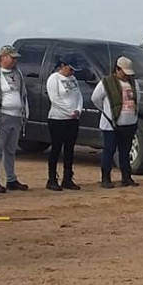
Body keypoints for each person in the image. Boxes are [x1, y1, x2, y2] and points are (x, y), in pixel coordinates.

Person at [0, 45, 29, 193]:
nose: (14, 60)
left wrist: (25, 111)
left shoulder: (17, 73)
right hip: (0, 116)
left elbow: (23, 93)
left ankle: (11, 178)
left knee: (11, 149)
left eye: (15, 58)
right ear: (3, 57)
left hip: (16, 116)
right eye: (12, 57)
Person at [91, 57, 140, 189]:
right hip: (111, 125)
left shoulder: (133, 83)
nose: (126, 75)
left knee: (125, 151)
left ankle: (126, 177)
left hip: (129, 123)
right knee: (109, 150)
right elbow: (95, 99)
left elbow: (137, 100)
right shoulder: (106, 83)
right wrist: (107, 111)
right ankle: (106, 178)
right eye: (124, 72)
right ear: (117, 69)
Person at [46, 54, 84, 191]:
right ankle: (51, 179)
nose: (72, 72)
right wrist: (69, 111)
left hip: (73, 119)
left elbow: (79, 96)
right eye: (70, 69)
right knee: (56, 149)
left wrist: (78, 110)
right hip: (58, 119)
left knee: (70, 149)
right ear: (62, 66)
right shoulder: (54, 79)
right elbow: (54, 99)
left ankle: (67, 178)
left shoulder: (73, 79)